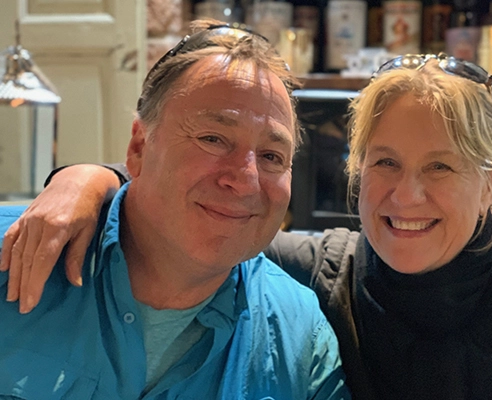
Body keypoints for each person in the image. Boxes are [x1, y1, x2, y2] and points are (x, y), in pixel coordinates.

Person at [3, 53, 492, 399]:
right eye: (385, 162)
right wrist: (88, 181)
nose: (407, 194)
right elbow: (194, 215)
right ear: (358, 172)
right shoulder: (314, 276)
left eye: (440, 166)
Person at [0, 19, 350, 399]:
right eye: (213, 138)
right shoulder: (13, 253)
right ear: (138, 148)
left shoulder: (301, 340)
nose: (245, 179)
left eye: (271, 155)